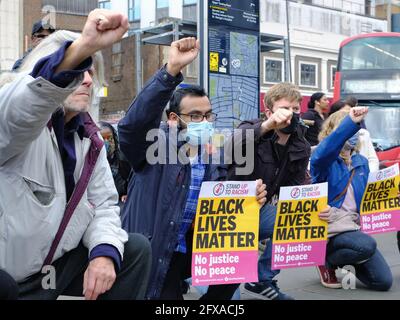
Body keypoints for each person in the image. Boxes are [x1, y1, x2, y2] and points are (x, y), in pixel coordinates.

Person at [0, 9, 151, 300]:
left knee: (133, 250)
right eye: (76, 71)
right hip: (7, 278)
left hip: (47, 274)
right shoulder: (16, 122)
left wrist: (103, 253)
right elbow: (26, 104)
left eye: (90, 71)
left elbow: (104, 205)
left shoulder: (89, 140)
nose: (86, 80)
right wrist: (82, 48)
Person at [118, 37, 267, 300]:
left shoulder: (213, 156)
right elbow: (132, 126)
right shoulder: (154, 146)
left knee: (236, 267)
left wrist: (248, 200)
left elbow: (218, 207)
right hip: (149, 254)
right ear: (174, 119)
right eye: (196, 116)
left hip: (184, 254)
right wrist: (170, 71)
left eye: (208, 115)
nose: (205, 122)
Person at [227, 83, 310, 300]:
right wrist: (267, 126)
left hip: (258, 211)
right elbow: (230, 147)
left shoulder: (300, 143)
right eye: (284, 108)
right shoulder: (252, 128)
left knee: (297, 217)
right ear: (269, 112)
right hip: (228, 214)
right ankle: (188, 273)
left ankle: (262, 279)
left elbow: (293, 187)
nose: (290, 114)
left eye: (295, 109)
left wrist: (312, 206)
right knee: (228, 298)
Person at [311, 108, 393, 292]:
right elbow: (324, 153)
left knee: (383, 282)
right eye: (351, 130)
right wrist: (349, 123)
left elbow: (367, 197)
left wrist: (389, 197)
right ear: (336, 132)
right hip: (331, 228)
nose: (355, 135)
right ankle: (325, 260)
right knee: (367, 245)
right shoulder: (323, 160)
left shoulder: (361, 161)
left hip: (353, 228)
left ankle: (346, 258)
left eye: (357, 131)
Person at [328, 100, 379, 172]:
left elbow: (372, 159)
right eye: (344, 113)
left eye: (350, 112)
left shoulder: (363, 134)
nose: (349, 116)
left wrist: (367, 175)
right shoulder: (327, 137)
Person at [99, 121, 131, 205]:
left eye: (110, 139)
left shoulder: (123, 159)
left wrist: (128, 194)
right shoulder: (90, 163)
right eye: (102, 139)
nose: (107, 143)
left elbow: (132, 181)